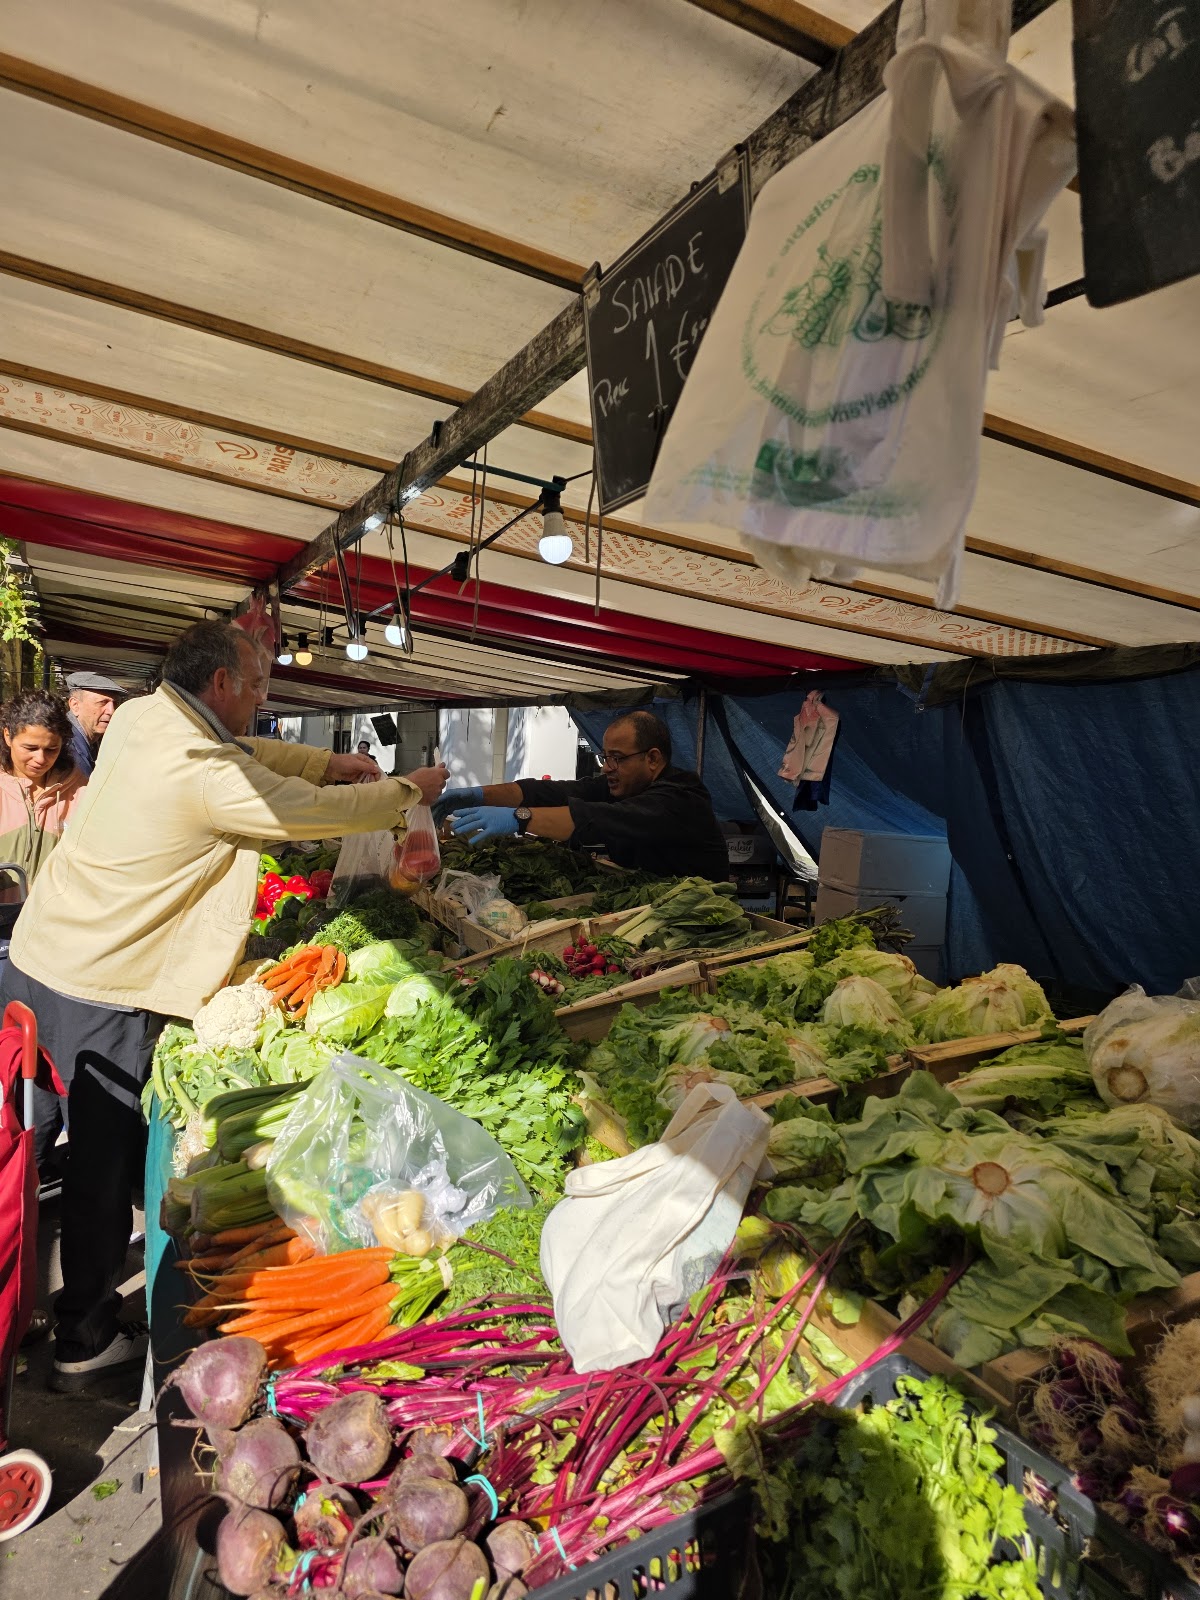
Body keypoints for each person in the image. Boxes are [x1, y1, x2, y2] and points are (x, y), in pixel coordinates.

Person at [2, 620, 446, 1391]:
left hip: (38, 954)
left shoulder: (146, 713)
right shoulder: (202, 774)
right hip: (101, 979)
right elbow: (291, 810)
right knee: (100, 1165)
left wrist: (329, 760)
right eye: (259, 684)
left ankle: (24, 1309)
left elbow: (245, 756)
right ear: (220, 686)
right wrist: (406, 795)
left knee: (25, 1146)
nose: (266, 696)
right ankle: (83, 1339)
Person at [435, 710, 730, 880]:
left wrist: (519, 818)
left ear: (652, 758)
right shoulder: (623, 786)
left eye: (617, 758)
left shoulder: (680, 798)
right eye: (605, 757)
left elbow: (602, 818)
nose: (608, 768)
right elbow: (554, 792)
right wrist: (478, 794)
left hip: (702, 923)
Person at [0, 689, 87, 888]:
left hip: (52, 915)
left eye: (51, 749)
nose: (40, 759)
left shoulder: (81, 792)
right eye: (30, 748)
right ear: (7, 736)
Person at [65, 669, 128, 778]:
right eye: (102, 703)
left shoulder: (90, 741)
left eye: (115, 703)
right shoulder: (68, 750)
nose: (111, 711)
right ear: (75, 705)